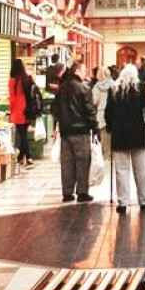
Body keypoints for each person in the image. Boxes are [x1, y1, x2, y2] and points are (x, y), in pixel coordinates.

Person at [105, 63, 145, 214]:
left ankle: (123, 202)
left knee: (121, 170)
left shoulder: (114, 90)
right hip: (137, 134)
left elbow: (108, 112)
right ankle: (144, 200)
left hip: (119, 135)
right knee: (140, 169)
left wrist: (109, 126)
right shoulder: (140, 88)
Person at [53, 61, 97, 202]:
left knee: (67, 162)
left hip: (66, 131)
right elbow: (89, 110)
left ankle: (67, 193)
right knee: (83, 161)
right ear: (77, 70)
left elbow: (54, 109)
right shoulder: (84, 88)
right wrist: (94, 127)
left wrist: (61, 121)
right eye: (84, 70)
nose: (86, 73)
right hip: (81, 131)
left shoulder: (62, 88)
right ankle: (82, 193)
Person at [9, 58, 36, 166]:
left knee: (22, 135)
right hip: (27, 109)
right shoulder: (26, 79)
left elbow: (12, 98)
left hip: (18, 110)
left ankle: (29, 157)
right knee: (23, 133)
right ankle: (21, 157)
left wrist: (10, 111)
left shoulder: (13, 80)